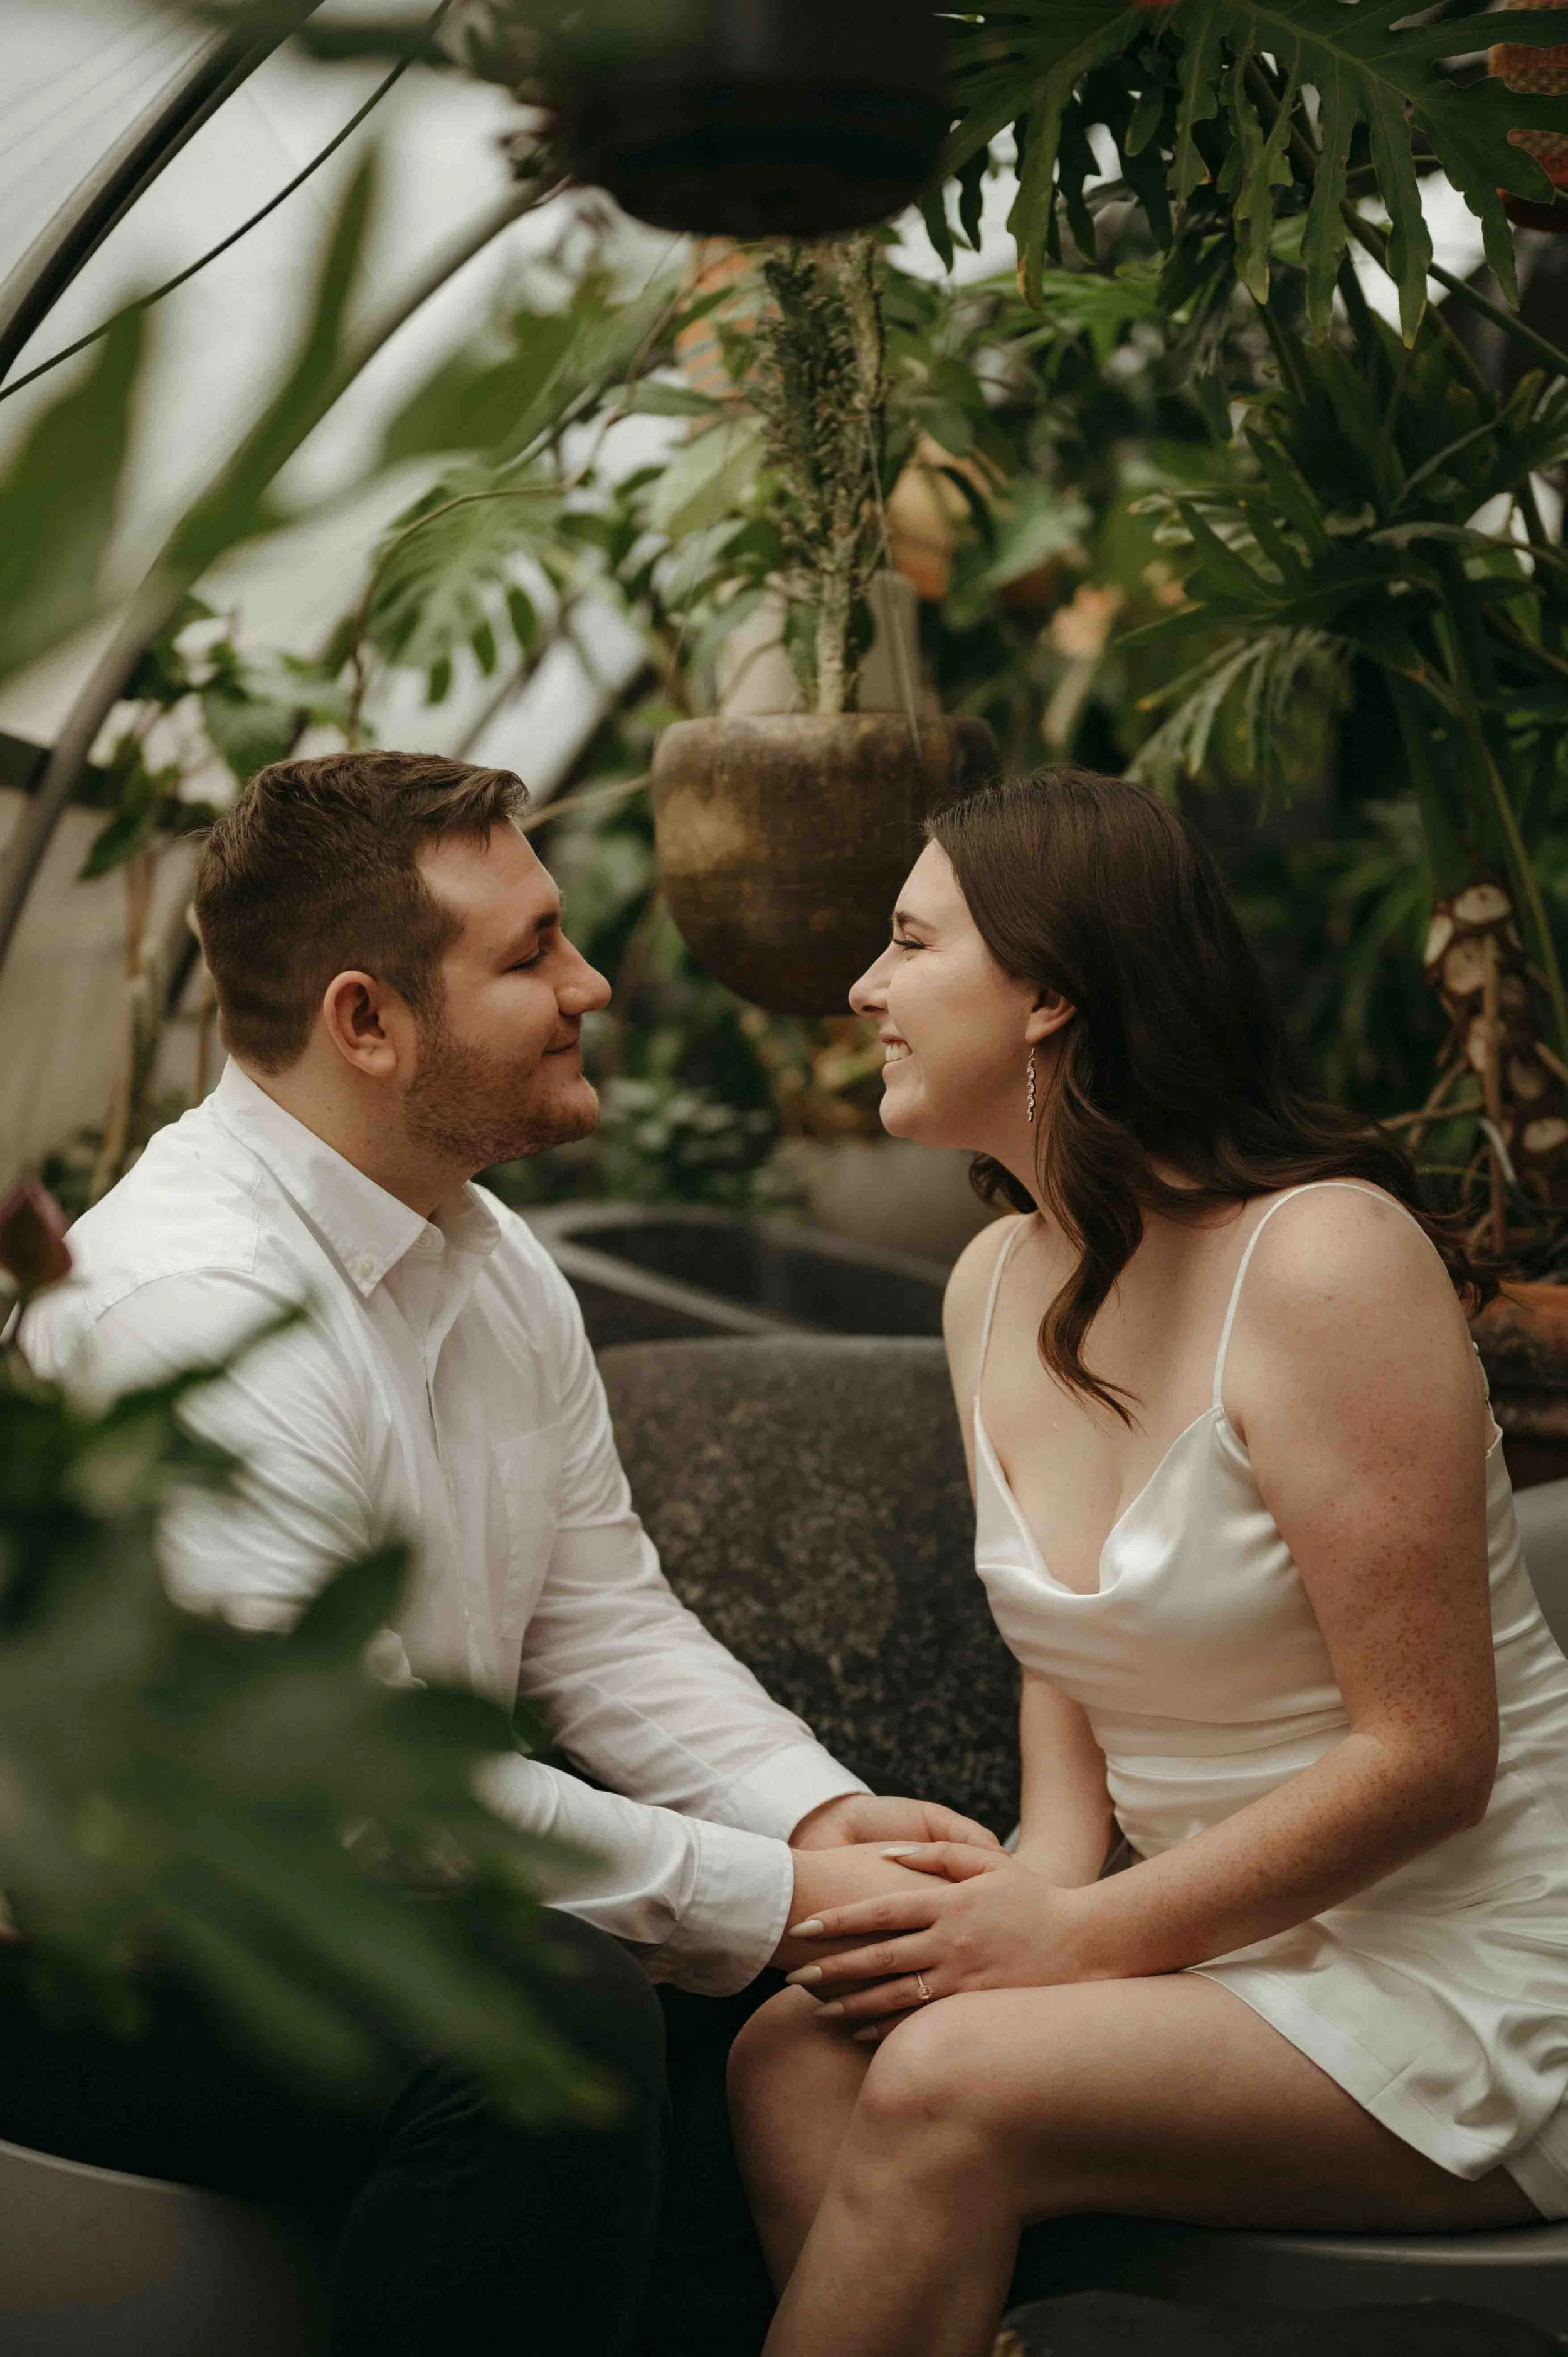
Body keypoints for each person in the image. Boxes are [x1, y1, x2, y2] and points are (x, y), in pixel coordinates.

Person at [19, 749, 987, 2356]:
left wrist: (826, 1823)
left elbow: (601, 1627)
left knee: (792, 1978)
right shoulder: (193, 1308)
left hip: (342, 1895)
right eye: (531, 951)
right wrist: (777, 1895)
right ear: (365, 1023)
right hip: (100, 1956)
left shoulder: (482, 1246)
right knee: (557, 2001)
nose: (589, 983)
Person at [726, 766, 1568, 2357]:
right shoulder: (984, 1286)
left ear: (1047, 990)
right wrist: (1037, 1877)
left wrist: (1073, 1941)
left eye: (908, 944)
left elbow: (1429, 1757)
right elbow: (1073, 1637)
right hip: (1208, 1941)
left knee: (944, 2081)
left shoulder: (1321, 1263)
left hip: (1476, 1968)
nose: (862, 988)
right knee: (791, 2057)